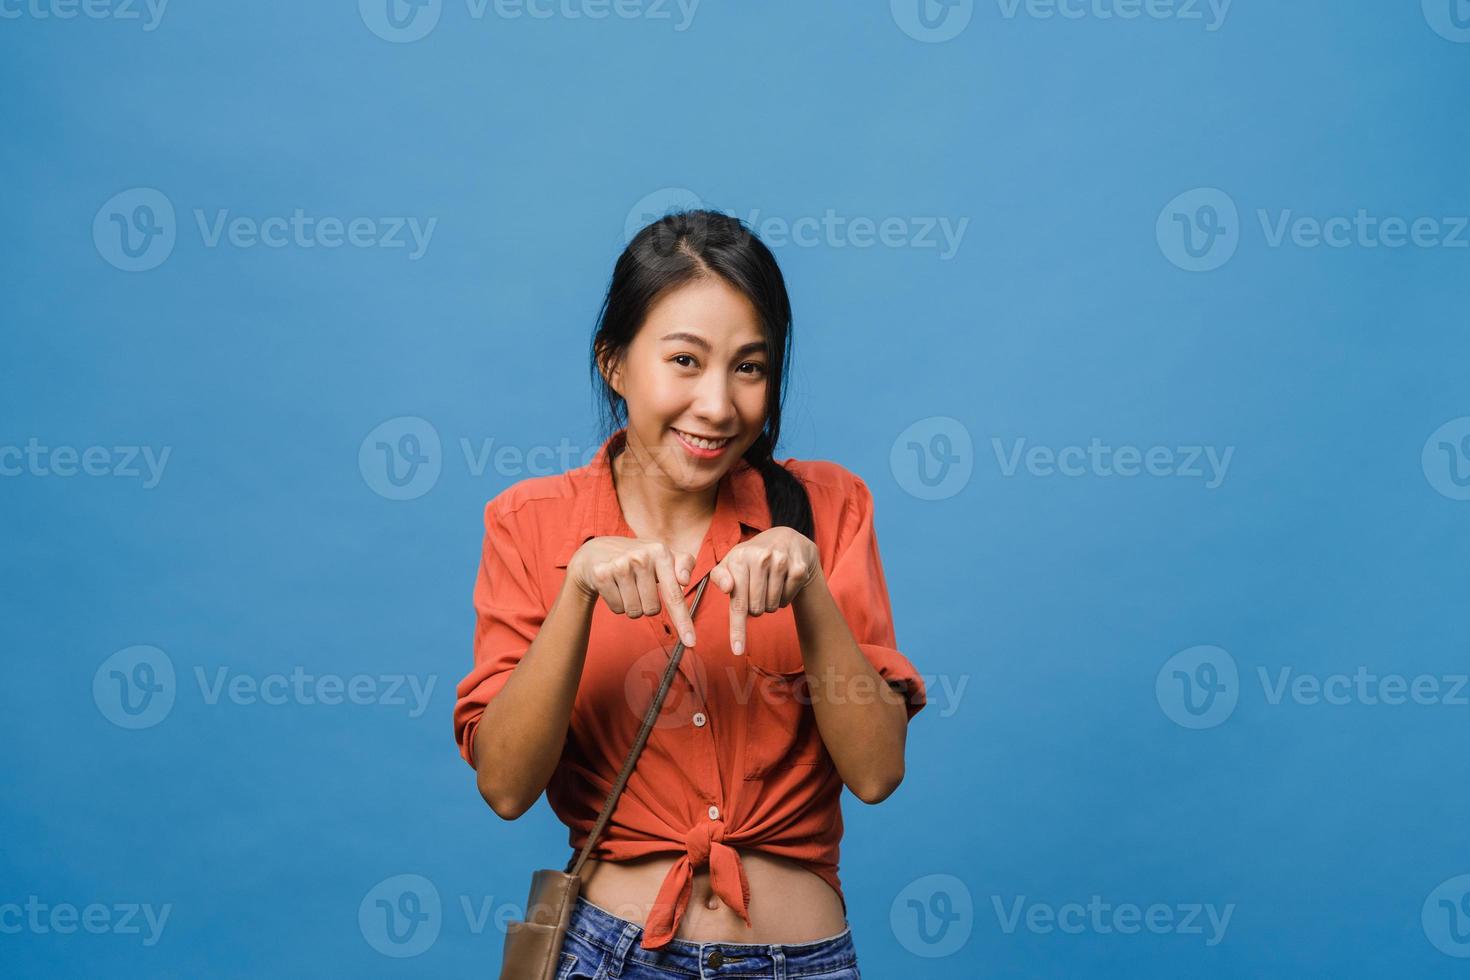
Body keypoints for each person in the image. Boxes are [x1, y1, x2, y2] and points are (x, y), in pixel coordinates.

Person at [453, 209, 927, 978]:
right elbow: (506, 787)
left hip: (800, 961)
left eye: (749, 367)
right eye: (684, 360)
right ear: (615, 364)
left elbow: (877, 774)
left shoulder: (830, 509)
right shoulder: (529, 524)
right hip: (611, 956)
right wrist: (576, 593)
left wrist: (808, 589)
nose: (718, 405)